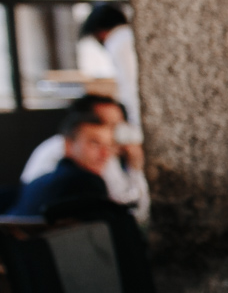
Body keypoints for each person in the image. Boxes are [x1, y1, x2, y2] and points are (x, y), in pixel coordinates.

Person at [20, 94, 149, 222]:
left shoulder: (101, 153)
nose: (112, 131)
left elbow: (125, 199)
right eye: (107, 123)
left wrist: (134, 167)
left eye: (117, 125)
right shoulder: (65, 159)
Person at [13, 108, 117, 216]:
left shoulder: (38, 181)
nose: (105, 154)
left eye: (109, 146)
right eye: (94, 143)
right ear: (68, 145)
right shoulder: (88, 182)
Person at [78, 4, 139, 134]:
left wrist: (134, 125)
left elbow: (130, 86)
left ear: (99, 32)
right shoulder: (128, 36)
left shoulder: (118, 42)